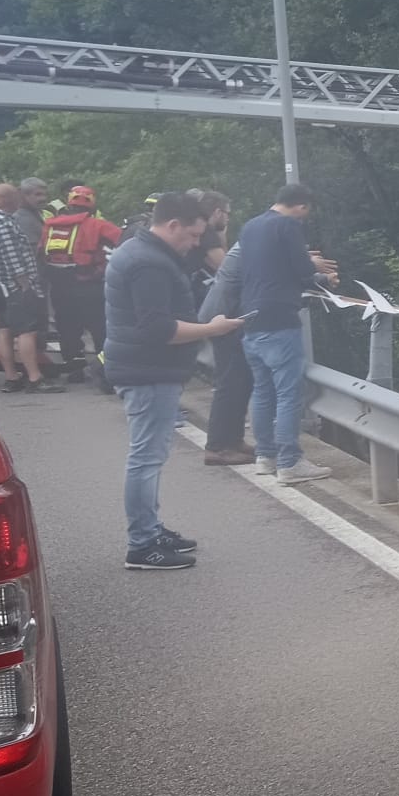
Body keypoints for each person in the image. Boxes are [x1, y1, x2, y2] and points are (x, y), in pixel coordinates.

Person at [104, 191, 245, 570]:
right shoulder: (150, 263)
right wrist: (210, 329)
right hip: (148, 369)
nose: (197, 244)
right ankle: (142, 544)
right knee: (146, 459)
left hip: (144, 367)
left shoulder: (139, 251)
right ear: (172, 226)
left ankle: (150, 529)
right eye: (193, 236)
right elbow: (158, 329)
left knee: (149, 456)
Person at [237, 183, 335, 484]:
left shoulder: (250, 226)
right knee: (289, 393)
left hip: (250, 316)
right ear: (301, 206)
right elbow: (302, 273)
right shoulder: (288, 226)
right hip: (280, 318)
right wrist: (325, 277)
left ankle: (265, 457)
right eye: (306, 213)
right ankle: (290, 462)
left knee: (262, 390)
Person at [0, 183, 58, 393]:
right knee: (26, 332)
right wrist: (26, 287)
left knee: (4, 332)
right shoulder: (4, 224)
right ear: (8, 199)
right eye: (16, 196)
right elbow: (13, 260)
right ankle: (35, 378)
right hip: (13, 287)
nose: (19, 200)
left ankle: (11, 378)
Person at [42, 186, 125, 382]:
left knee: (68, 328)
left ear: (68, 204)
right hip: (89, 285)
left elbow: (40, 252)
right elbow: (124, 240)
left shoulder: (50, 225)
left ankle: (75, 369)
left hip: (59, 286)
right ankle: (105, 369)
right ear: (92, 206)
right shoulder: (98, 225)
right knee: (99, 329)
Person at [196, 231, 255, 467]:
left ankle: (233, 441)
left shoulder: (251, 241)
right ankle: (218, 447)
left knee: (239, 382)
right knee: (230, 384)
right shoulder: (255, 246)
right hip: (223, 318)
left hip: (224, 316)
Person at [15, 178, 50, 261]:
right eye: (38, 194)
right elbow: (34, 252)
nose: (43, 198)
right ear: (24, 196)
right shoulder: (22, 218)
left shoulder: (38, 213)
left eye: (45, 195)